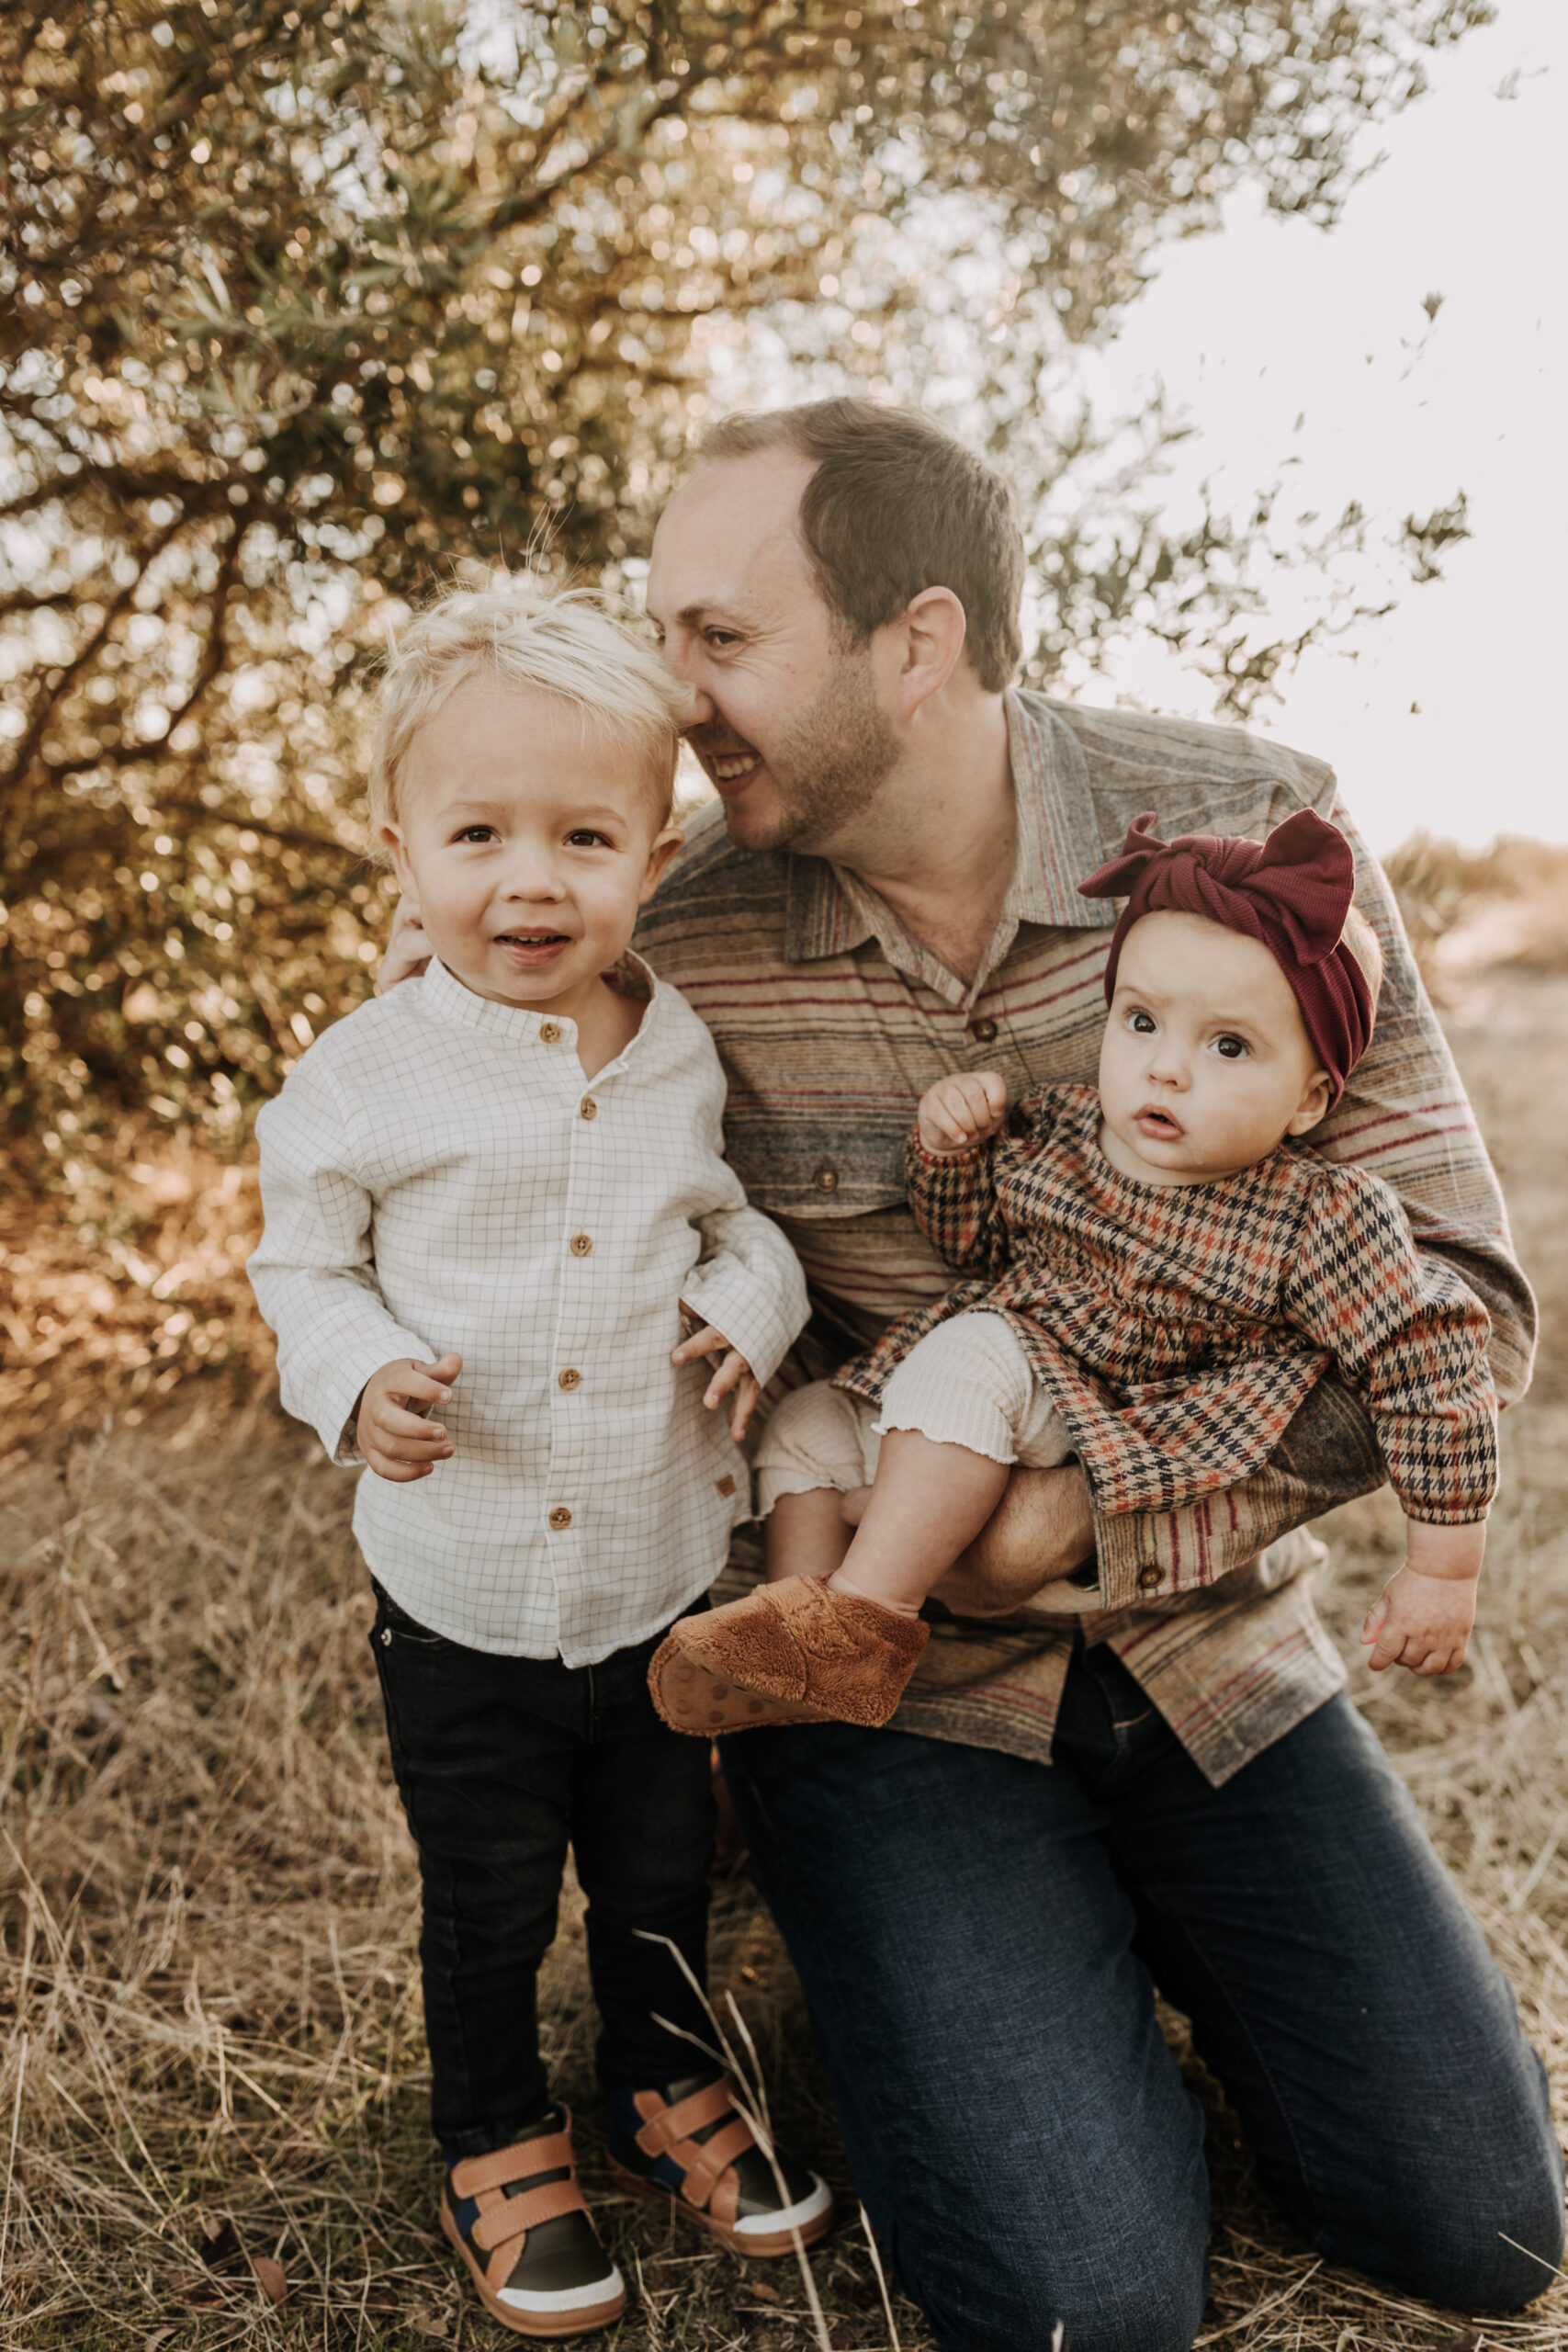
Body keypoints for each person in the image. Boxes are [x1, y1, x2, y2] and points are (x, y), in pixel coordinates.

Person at [378, 403, 1563, 2352]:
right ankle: (924, 1948)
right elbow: (443, 1116)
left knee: (1478, 2226)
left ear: (912, 643)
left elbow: (1458, 1295)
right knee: (1079, 2306)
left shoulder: (1256, 836)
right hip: (886, 1690)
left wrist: (1073, 1516)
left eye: (720, 639)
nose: (677, 703)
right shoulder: (660, 934)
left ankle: (1144, 1945)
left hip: (1211, 1649)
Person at [249, 582, 832, 2344]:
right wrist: (353, 1382)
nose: (531, 881)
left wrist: (749, 1302)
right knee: (490, 1894)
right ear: (400, 850)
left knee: (657, 1876)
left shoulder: (675, 1054)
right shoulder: (361, 1079)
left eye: (583, 836)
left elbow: (736, 1225)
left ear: (654, 855)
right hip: (466, 1602)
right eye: (479, 833)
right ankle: (497, 2131)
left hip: (655, 1578)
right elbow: (300, 1266)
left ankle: (665, 2089)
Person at [649, 808, 1495, 1732]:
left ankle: (868, 1614)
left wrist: (1441, 1565)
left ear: (1310, 1098)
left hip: (1114, 1425)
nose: (1166, 1069)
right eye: (1141, 1022)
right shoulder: (1061, 1131)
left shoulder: (1317, 1216)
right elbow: (972, 1246)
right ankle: (804, 1637)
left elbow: (1429, 1364)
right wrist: (949, 1155)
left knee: (976, 1349)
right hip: (985, 1414)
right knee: (811, 1420)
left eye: (1227, 1046)